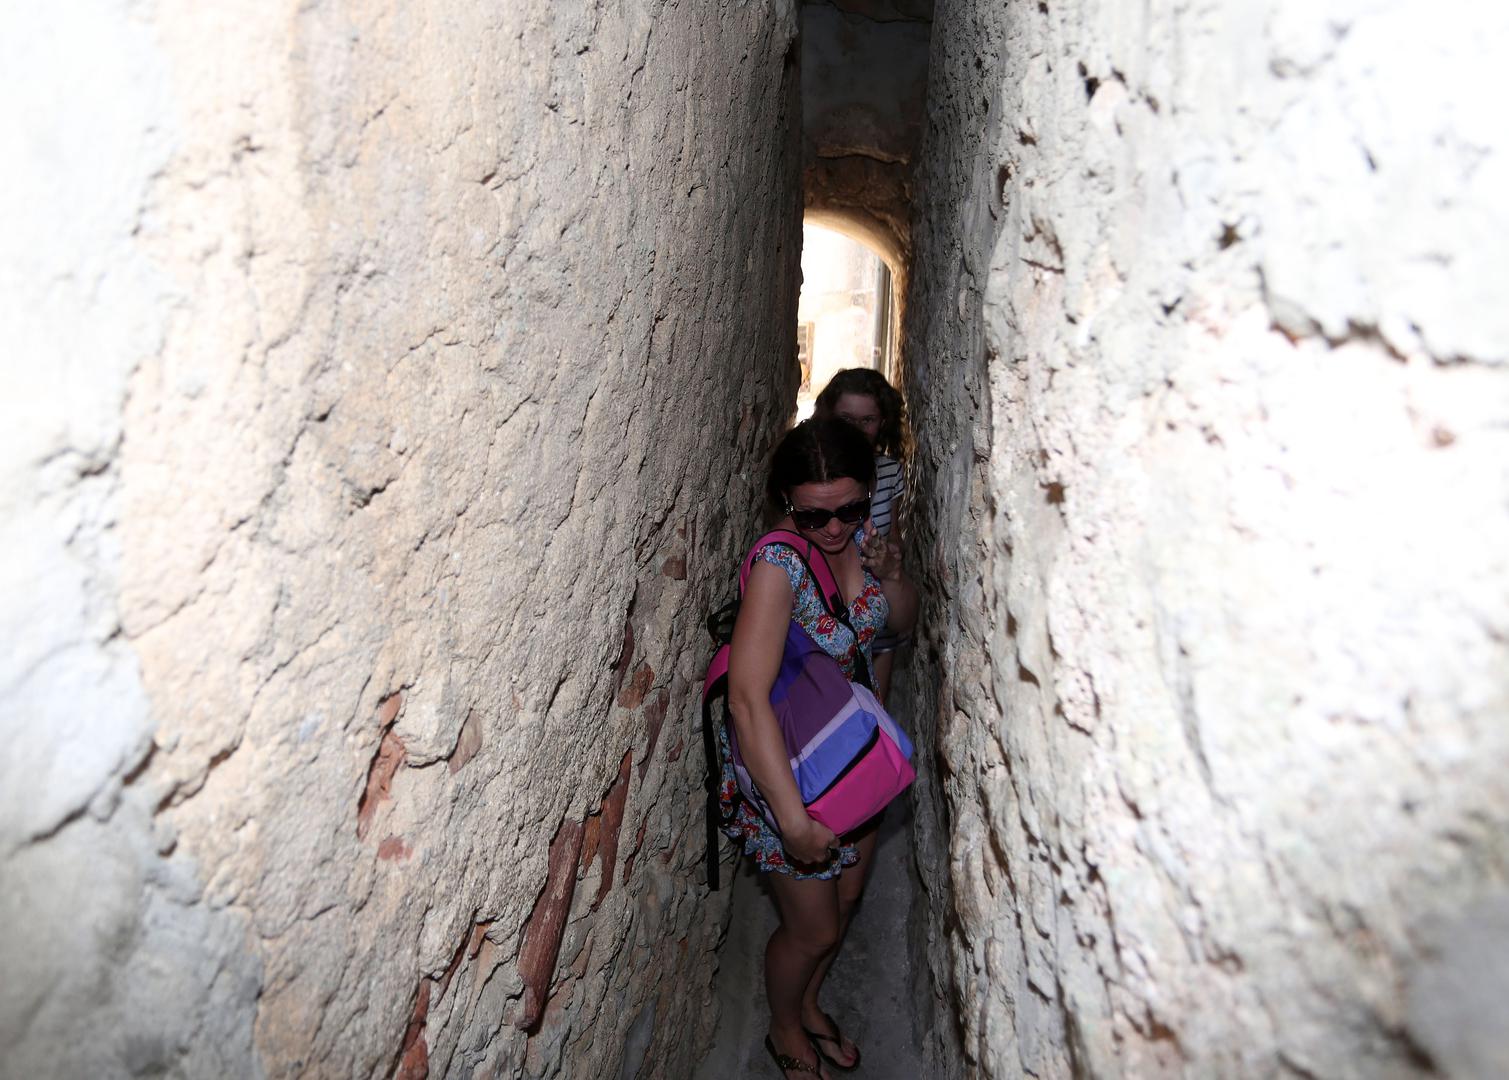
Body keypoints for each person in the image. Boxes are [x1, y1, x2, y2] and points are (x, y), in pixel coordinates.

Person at [723, 418, 918, 1078]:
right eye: (814, 516)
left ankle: (807, 1003)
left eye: (850, 509)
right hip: (791, 776)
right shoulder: (779, 564)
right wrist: (792, 821)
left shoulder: (862, 539)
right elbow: (746, 701)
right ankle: (783, 1026)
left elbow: (899, 622)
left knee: (846, 904)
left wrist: (889, 573)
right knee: (814, 929)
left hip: (848, 760)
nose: (834, 529)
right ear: (785, 503)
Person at [813, 369, 909, 702]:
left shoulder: (891, 472)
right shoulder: (815, 471)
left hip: (877, 619)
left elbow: (895, 538)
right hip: (824, 622)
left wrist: (888, 556)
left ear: (882, 422)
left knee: (873, 715)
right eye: (846, 418)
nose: (856, 429)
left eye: (867, 420)